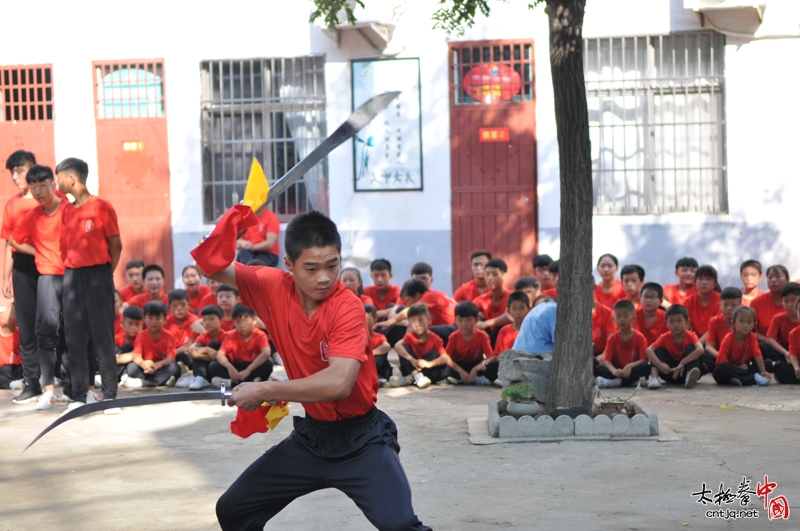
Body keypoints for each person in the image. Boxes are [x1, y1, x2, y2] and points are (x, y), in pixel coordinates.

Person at [202, 210, 431, 531]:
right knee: (233, 510)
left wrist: (266, 389)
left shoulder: (347, 307)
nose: (324, 277)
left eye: (332, 265)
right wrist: (226, 229)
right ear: (289, 264)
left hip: (362, 440)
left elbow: (339, 383)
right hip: (312, 438)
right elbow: (209, 266)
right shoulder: (270, 286)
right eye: (311, 268)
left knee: (400, 525)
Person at [56, 157, 123, 413]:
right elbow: (65, 248)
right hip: (72, 276)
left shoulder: (102, 207)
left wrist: (104, 273)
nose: (57, 183)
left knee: (102, 338)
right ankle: (78, 397)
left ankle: (109, 398)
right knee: (74, 339)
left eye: (59, 177)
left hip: (98, 275)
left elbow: (116, 246)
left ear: (71, 178)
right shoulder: (66, 211)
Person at [9, 165, 67, 410]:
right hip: (35, 271)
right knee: (38, 328)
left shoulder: (66, 206)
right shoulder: (21, 209)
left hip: (65, 272)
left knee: (70, 329)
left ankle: (77, 385)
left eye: (42, 184)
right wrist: (37, 252)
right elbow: (10, 239)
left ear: (52, 183)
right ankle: (39, 386)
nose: (38, 190)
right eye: (33, 186)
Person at [2, 151, 41, 403]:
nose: (15, 176)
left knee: (51, 323)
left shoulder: (47, 199)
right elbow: (8, 243)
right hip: (22, 265)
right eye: (12, 172)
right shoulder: (12, 205)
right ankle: (32, 383)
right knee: (26, 326)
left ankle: (62, 380)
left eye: (20, 170)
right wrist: (6, 277)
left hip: (48, 264)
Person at [208, 305, 273, 388]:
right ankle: (252, 382)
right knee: (213, 366)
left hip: (253, 365)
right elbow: (220, 354)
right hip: (236, 366)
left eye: (245, 321)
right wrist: (230, 367)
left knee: (268, 364)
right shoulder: (230, 335)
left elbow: (266, 353)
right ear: (234, 322)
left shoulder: (260, 335)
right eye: (238, 322)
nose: (242, 325)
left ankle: (231, 383)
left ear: (254, 321)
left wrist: (248, 370)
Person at [390, 303, 450, 389]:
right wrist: (412, 360)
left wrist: (429, 364)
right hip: (413, 368)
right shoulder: (410, 336)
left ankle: (409, 379)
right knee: (404, 350)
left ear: (429, 320)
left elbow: (445, 358)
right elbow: (397, 346)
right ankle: (416, 376)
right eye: (413, 321)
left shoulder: (435, 338)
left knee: (433, 355)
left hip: (428, 369)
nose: (417, 324)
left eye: (421, 320)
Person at [121, 301, 180, 388]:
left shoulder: (169, 336)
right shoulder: (141, 336)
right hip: (145, 368)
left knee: (175, 367)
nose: (153, 322)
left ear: (165, 320)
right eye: (150, 318)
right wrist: (144, 364)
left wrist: (156, 365)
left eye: (158, 318)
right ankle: (161, 380)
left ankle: (143, 383)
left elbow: (170, 358)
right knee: (131, 367)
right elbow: (136, 356)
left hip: (160, 367)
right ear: (144, 319)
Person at [645, 305, 704, 389]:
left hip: (684, 370)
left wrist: (683, 362)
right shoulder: (664, 337)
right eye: (671, 321)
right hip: (669, 372)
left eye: (679, 321)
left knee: (691, 349)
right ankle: (654, 378)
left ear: (687, 322)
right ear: (666, 323)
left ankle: (689, 377)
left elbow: (700, 349)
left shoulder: (691, 336)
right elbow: (648, 350)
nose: (675, 325)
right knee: (658, 351)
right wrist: (661, 366)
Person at [595, 300, 651, 388]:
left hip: (632, 370)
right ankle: (632, 381)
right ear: (613, 319)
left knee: (646, 367)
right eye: (618, 316)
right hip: (618, 371)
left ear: (634, 318)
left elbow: (643, 360)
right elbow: (607, 361)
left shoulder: (640, 337)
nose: (622, 319)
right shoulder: (612, 339)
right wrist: (614, 371)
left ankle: (615, 382)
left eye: (625, 316)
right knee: (598, 369)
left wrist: (630, 366)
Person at [712, 306, 770, 386]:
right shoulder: (728, 338)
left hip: (744, 367)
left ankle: (739, 379)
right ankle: (753, 378)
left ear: (754, 325)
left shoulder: (752, 337)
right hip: (729, 369)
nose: (745, 325)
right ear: (733, 323)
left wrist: (763, 372)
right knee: (722, 368)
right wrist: (737, 368)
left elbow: (757, 355)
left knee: (767, 364)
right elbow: (721, 361)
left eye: (749, 322)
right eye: (741, 321)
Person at [443, 301, 496, 385]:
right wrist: (461, 371)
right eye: (460, 320)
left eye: (468, 320)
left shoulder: (482, 336)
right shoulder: (454, 336)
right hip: (460, 365)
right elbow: (447, 357)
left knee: (492, 366)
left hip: (476, 364)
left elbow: (489, 357)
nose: (464, 324)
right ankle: (462, 378)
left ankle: (474, 378)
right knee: (446, 368)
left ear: (476, 320)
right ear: (455, 321)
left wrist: (475, 369)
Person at [179, 304, 228, 390]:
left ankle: (200, 377)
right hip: (206, 366)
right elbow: (190, 350)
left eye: (211, 319)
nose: (207, 322)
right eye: (204, 320)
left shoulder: (226, 336)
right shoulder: (203, 335)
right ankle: (198, 377)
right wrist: (206, 349)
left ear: (221, 320)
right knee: (200, 346)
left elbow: (216, 357)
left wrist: (196, 355)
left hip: (217, 368)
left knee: (214, 344)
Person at [703, 287, 743, 374]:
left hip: (738, 357)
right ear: (719, 306)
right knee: (703, 355)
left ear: (740, 306)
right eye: (725, 305)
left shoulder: (743, 321)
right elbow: (708, 346)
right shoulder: (714, 321)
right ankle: (734, 369)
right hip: (719, 355)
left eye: (733, 305)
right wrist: (722, 357)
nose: (729, 308)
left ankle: (730, 369)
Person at [760, 282, 800, 368]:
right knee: (761, 346)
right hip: (785, 352)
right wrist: (786, 353)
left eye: (794, 301)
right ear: (781, 300)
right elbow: (769, 339)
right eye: (786, 301)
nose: (789, 305)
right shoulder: (778, 318)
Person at [165, 289, 201, 380]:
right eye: (175, 306)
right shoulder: (166, 321)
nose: (179, 308)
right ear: (169, 307)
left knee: (189, 355)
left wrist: (172, 353)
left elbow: (189, 344)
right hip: (171, 352)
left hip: (184, 352)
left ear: (189, 305)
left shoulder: (194, 320)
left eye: (183, 305)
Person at [473, 258, 513, 337]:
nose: (490, 278)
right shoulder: (480, 300)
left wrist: (485, 324)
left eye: (495, 274)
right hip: (487, 337)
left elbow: (511, 316)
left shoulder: (512, 297)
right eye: (487, 274)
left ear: (504, 276)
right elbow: (466, 313)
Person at [683, 265, 721, 342]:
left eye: (708, 279)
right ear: (694, 282)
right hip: (694, 341)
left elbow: (717, 328)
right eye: (700, 279)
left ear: (716, 282)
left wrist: (698, 345)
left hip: (716, 342)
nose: (704, 282)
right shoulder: (689, 301)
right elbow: (684, 326)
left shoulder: (721, 300)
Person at [751, 265, 790, 336]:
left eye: (778, 277)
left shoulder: (796, 301)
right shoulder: (756, 303)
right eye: (770, 277)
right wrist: (767, 341)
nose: (773, 280)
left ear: (787, 279)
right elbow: (750, 331)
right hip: (764, 344)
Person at [773, 298, 800, 384]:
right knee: (779, 367)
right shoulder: (793, 333)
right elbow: (793, 354)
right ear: (797, 312)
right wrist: (796, 368)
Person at [364, 304, 391, 385]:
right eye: (361, 318)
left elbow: (386, 346)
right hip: (364, 367)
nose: (364, 322)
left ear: (375, 321)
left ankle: (378, 377)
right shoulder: (355, 337)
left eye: (367, 319)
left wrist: (370, 354)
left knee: (381, 354)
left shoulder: (379, 336)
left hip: (376, 367)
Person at [115, 305, 142, 383]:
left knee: (128, 347)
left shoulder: (141, 338)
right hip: (116, 362)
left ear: (141, 325)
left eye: (137, 324)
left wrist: (118, 359)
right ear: (122, 323)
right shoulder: (118, 338)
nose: (133, 327)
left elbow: (136, 355)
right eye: (130, 324)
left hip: (132, 364)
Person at [0, 305, 22, 389]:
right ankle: (12, 384)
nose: (5, 313)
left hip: (17, 368)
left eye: (11, 312)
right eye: (6, 309)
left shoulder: (20, 333)